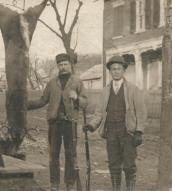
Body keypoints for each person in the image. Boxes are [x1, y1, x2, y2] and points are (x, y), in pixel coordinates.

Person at [83, 55, 147, 191]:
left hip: (127, 131)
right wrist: (91, 125)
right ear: (110, 71)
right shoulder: (105, 91)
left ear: (124, 70)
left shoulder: (133, 89)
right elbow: (99, 112)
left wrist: (139, 131)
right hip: (111, 130)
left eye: (119, 69)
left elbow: (141, 112)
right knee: (113, 164)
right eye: (113, 69)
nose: (116, 71)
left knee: (129, 164)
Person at [27, 53, 87, 191]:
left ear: (70, 65)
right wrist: (25, 104)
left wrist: (77, 97)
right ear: (57, 66)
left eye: (65, 64)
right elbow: (42, 100)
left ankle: (70, 184)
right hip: (54, 123)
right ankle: (54, 184)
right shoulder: (52, 83)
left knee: (70, 154)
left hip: (70, 123)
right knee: (53, 154)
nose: (63, 67)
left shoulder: (77, 82)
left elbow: (85, 103)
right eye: (60, 65)